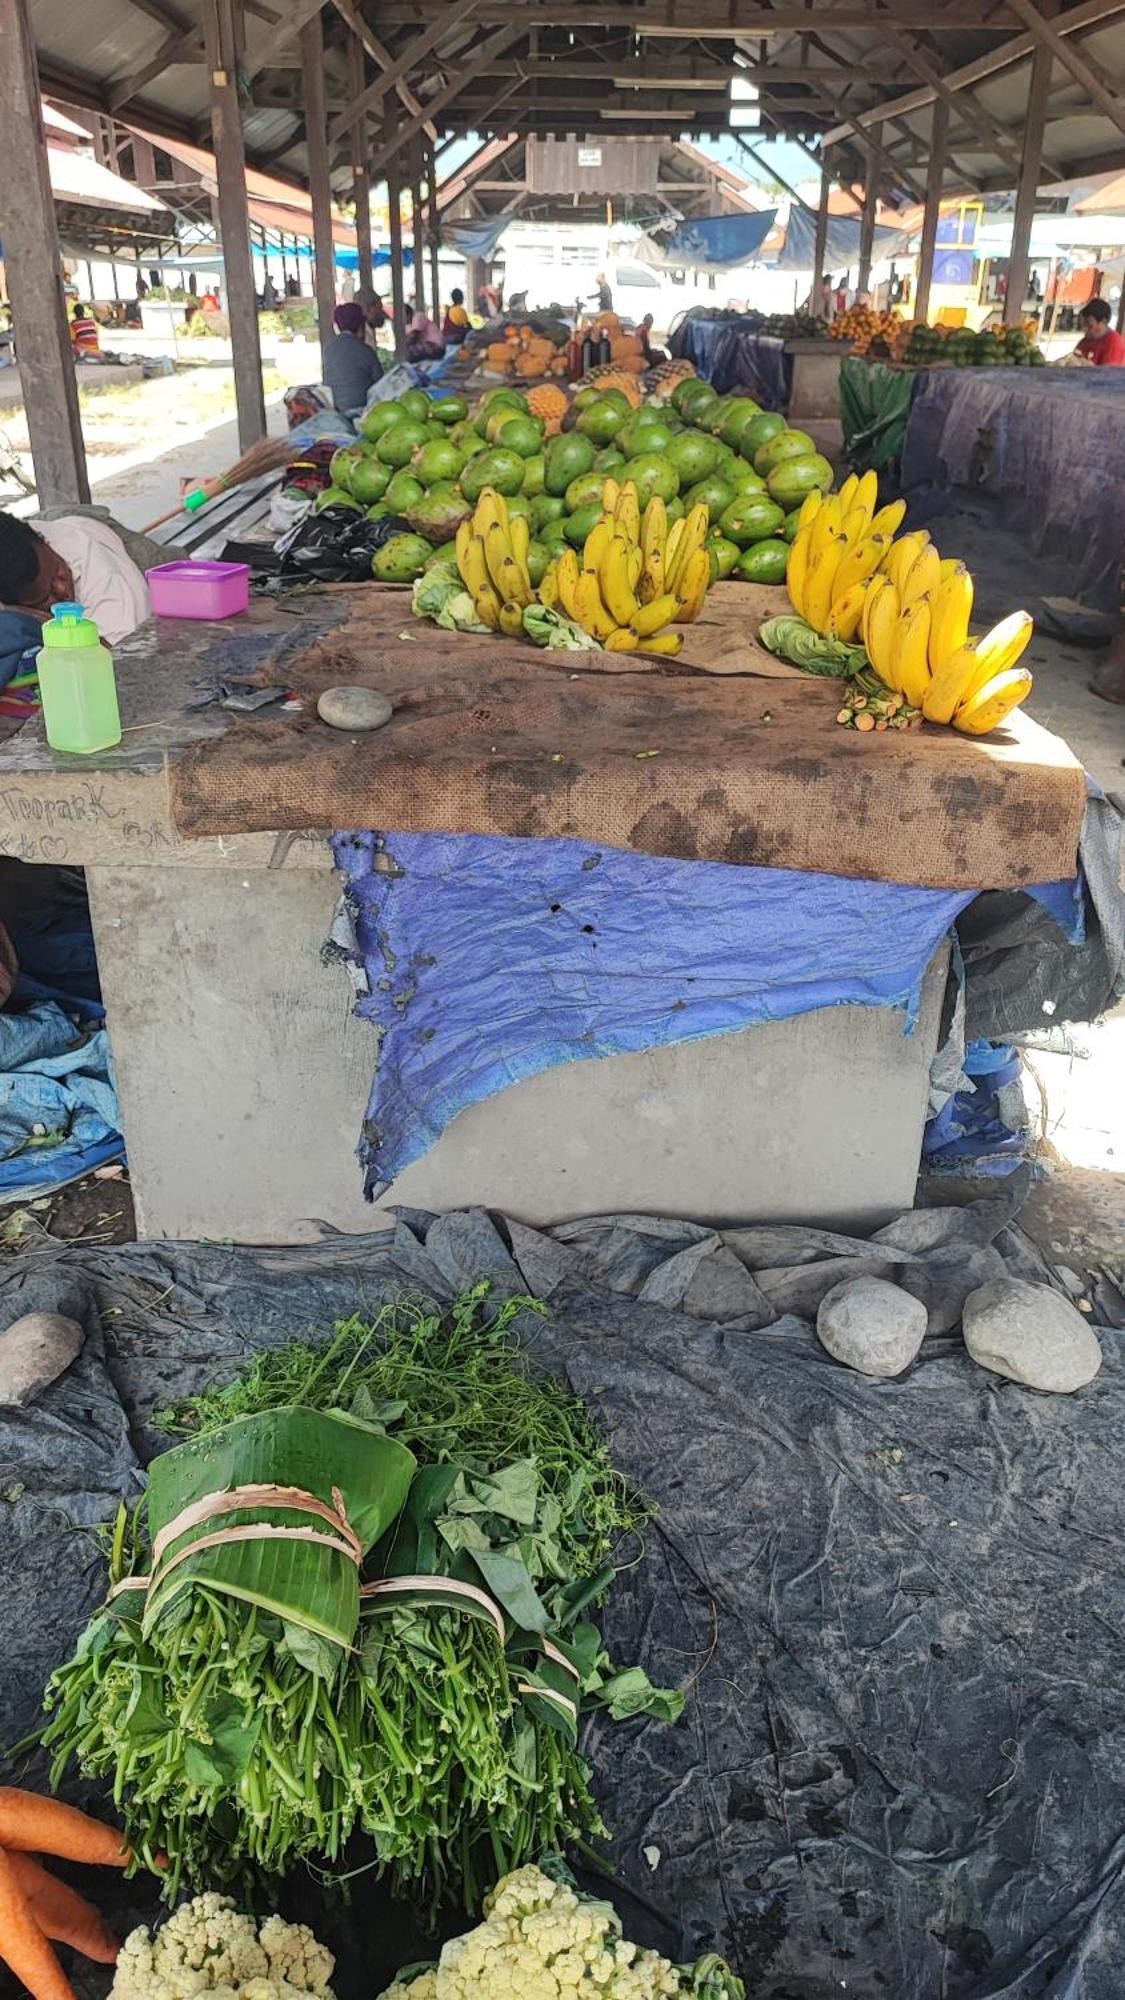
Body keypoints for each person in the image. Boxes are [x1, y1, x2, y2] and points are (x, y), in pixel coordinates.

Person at [0, 511, 150, 646]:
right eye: (45, 598)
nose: (62, 590)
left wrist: (41, 620)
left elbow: (121, 661)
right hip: (51, 520)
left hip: (128, 548)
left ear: (44, 540)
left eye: (58, 571)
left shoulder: (109, 586)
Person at [323, 300, 383, 415]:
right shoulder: (365, 350)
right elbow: (380, 383)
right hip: (363, 411)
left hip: (335, 411)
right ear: (361, 327)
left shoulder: (329, 348)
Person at [1073, 296, 1125, 366]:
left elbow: (1109, 374)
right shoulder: (1084, 342)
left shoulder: (1113, 342)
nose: (1084, 329)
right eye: (1083, 325)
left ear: (1104, 322)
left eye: (1090, 326)